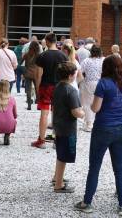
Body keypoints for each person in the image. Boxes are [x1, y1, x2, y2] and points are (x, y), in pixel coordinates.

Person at [74, 55, 122, 215]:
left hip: (103, 128)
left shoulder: (104, 83)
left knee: (94, 167)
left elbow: (95, 108)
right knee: (120, 168)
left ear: (106, 68)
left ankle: (87, 202)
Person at [52, 62, 85, 193]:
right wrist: (83, 113)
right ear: (71, 75)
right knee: (63, 156)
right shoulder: (70, 90)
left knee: (60, 153)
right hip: (67, 127)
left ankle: (57, 178)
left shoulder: (58, 87)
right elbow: (76, 112)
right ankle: (58, 185)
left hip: (58, 124)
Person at [32, 33, 67, 149]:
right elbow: (66, 74)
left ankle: (41, 140)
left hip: (45, 86)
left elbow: (38, 74)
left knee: (44, 113)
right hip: (59, 87)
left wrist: (37, 89)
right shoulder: (63, 56)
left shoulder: (42, 56)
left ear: (47, 41)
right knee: (57, 114)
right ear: (56, 41)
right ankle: (57, 141)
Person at [79, 45, 104, 132]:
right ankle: (97, 122)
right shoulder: (103, 61)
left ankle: (89, 124)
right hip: (100, 83)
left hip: (88, 83)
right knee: (99, 103)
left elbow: (80, 71)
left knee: (87, 104)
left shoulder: (86, 60)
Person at [24, 41, 42, 110]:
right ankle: (39, 106)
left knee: (28, 90)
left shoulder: (27, 54)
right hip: (36, 74)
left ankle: (29, 106)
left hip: (28, 73)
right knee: (37, 89)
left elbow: (22, 63)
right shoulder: (39, 55)